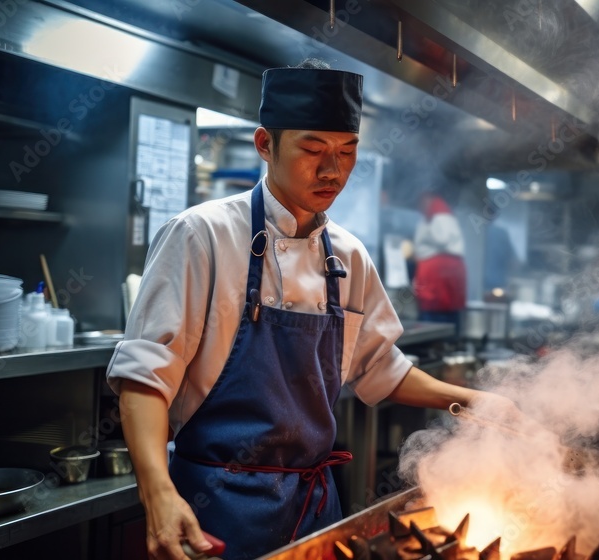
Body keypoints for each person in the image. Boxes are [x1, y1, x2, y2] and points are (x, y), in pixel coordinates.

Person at [106, 60, 519, 560]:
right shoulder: (201, 235)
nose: (333, 170)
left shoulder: (347, 255)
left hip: (315, 507)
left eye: (347, 152)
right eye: (313, 149)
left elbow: (378, 368)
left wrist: (473, 402)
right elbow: (145, 377)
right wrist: (159, 494)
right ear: (265, 145)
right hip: (215, 505)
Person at [412, 191, 467, 332]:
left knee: (432, 323)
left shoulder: (438, 217)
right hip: (444, 277)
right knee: (449, 318)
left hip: (435, 279)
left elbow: (442, 239)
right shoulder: (439, 216)